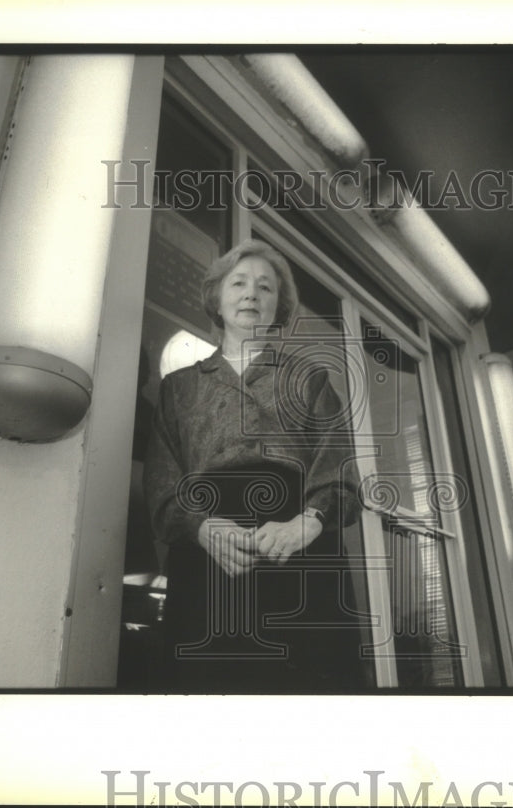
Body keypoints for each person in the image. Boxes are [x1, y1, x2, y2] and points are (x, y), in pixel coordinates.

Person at [144, 238, 363, 693]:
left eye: (265, 288)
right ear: (216, 299)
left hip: (298, 551)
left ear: (278, 307)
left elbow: (340, 472)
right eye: (239, 283)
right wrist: (202, 529)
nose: (251, 294)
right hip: (209, 556)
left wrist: (306, 524)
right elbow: (162, 486)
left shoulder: (308, 378)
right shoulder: (179, 389)